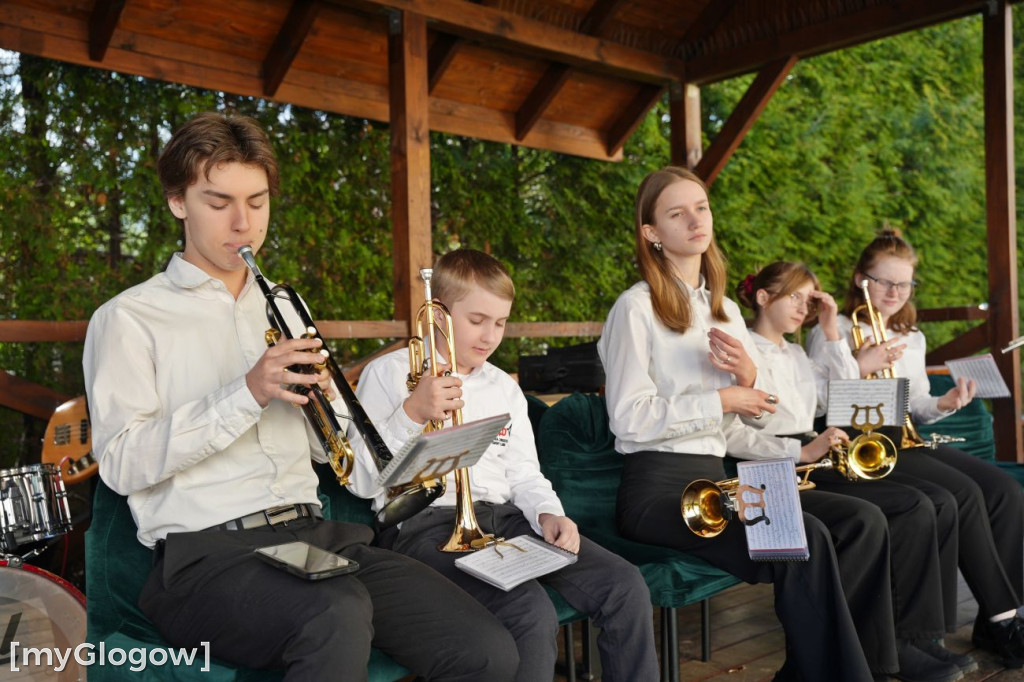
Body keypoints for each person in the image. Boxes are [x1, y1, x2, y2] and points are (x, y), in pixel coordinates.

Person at [83, 112, 518, 681]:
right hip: (206, 561)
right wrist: (246, 393)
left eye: (257, 201)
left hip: (314, 537)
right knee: (333, 614)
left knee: (485, 648)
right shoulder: (127, 319)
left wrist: (402, 419)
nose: (243, 223)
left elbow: (351, 468)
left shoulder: (287, 309)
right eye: (219, 203)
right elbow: (120, 464)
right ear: (177, 202)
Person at [598, 165, 895, 682]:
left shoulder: (726, 311)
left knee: (860, 522)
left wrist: (794, 451)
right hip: (658, 491)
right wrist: (724, 396)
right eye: (677, 212)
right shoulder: (635, 308)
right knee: (805, 534)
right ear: (652, 233)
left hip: (719, 477)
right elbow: (628, 417)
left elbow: (730, 430)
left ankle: (851, 668)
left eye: (702, 207)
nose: (696, 219)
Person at [347, 248, 659, 682]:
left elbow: (525, 474)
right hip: (427, 527)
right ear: (438, 316)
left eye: (500, 322)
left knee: (624, 584)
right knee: (529, 610)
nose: (490, 335)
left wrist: (548, 512)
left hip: (508, 518)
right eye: (477, 320)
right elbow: (363, 483)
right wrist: (412, 413)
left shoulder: (503, 388)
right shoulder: (387, 373)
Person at [735, 260, 973, 679]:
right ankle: (882, 654)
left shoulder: (794, 352)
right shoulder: (746, 348)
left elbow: (837, 396)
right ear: (761, 297)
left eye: (808, 300)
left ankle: (913, 639)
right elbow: (747, 423)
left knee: (918, 503)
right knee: (886, 513)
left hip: (810, 451)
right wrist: (803, 450)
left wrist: (830, 331)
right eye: (795, 297)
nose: (802, 307)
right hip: (775, 461)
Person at [807, 228, 1024, 669]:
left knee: (1004, 489)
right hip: (862, 442)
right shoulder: (837, 331)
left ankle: (1001, 613)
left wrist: (944, 404)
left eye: (903, 283)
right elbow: (820, 401)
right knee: (959, 494)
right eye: (883, 281)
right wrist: (860, 362)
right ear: (859, 280)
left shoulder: (913, 336)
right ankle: (1002, 621)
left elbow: (917, 407)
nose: (894, 292)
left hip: (903, 438)